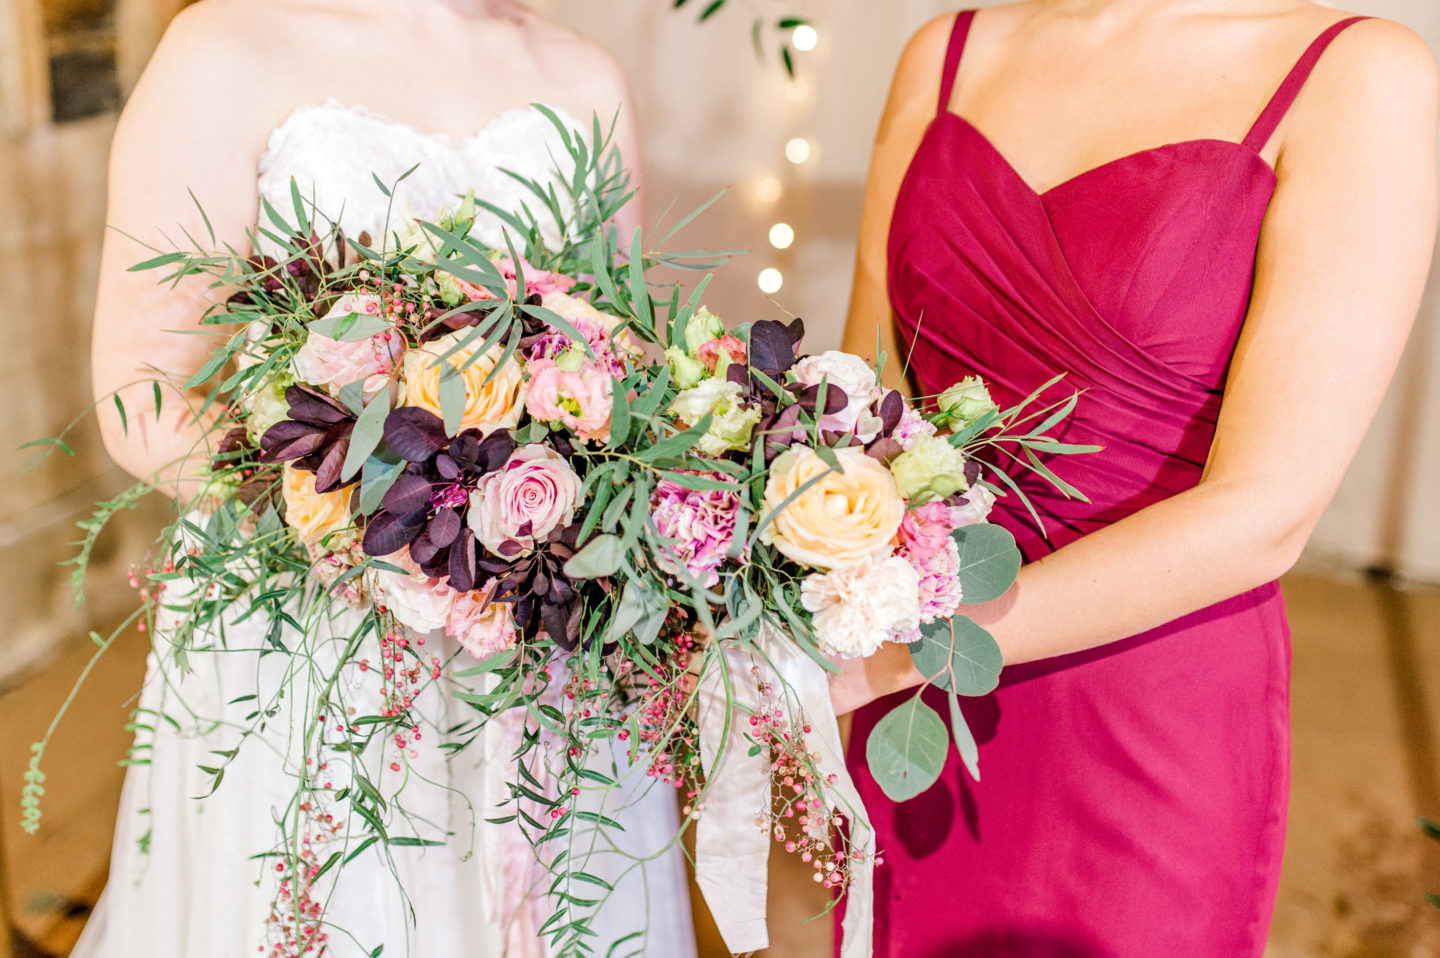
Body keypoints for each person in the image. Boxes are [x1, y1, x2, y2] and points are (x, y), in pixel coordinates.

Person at [83, 1, 695, 956]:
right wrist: (359, 529)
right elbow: (138, 389)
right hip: (307, 628)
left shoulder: (583, 75)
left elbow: (619, 370)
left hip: (534, 634)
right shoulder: (225, 44)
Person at [832, 1, 1437, 954]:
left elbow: (1267, 513)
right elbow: (865, 411)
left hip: (1139, 701)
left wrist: (901, 654)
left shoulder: (1357, 74)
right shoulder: (947, 50)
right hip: (913, 712)